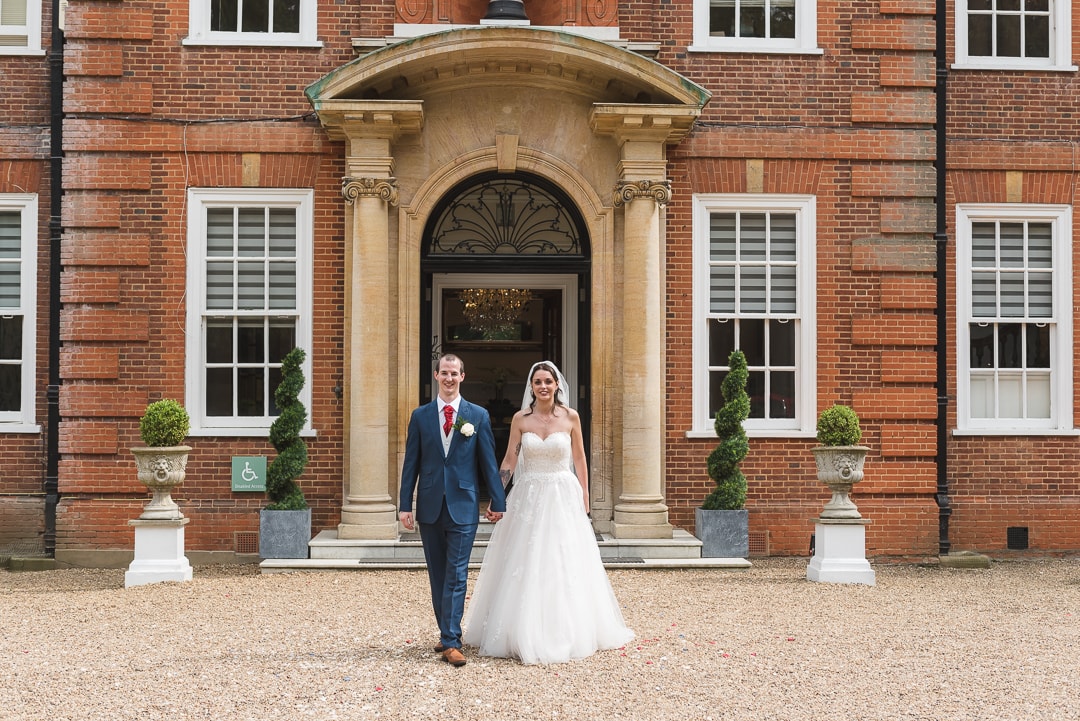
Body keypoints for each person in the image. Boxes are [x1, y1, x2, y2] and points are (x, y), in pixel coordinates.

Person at [462, 361, 634, 664]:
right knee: (524, 559)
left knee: (562, 558)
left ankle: (567, 629)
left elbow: (579, 457)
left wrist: (585, 495)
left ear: (557, 385)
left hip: (562, 494)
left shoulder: (571, 417)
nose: (543, 386)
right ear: (531, 386)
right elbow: (510, 460)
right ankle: (518, 630)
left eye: (548, 381)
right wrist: (497, 497)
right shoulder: (520, 419)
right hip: (528, 496)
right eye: (538, 382)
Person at [399, 353, 506, 668]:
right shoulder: (420, 416)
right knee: (438, 573)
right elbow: (411, 464)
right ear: (436, 376)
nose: (449, 378)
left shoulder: (479, 416)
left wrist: (498, 501)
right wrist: (406, 504)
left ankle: (450, 640)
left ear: (463, 376)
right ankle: (447, 631)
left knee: (457, 573)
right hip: (430, 506)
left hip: (464, 505)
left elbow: (488, 462)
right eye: (443, 373)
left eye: (454, 373)